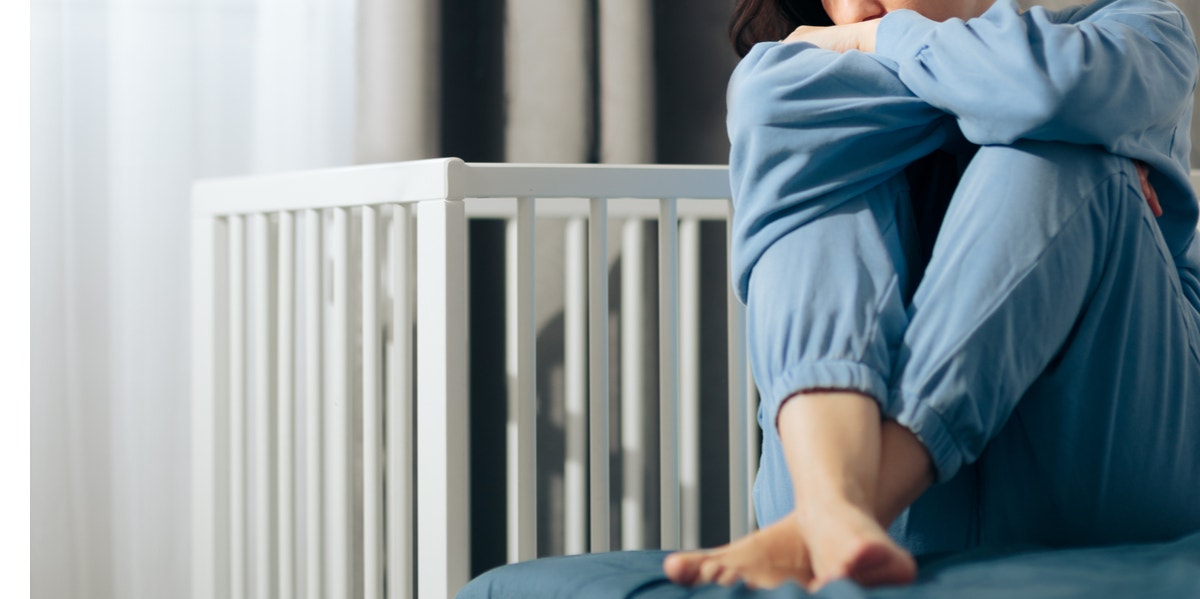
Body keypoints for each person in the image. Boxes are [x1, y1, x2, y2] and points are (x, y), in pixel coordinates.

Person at [662, 0, 1200, 591]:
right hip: (908, 511)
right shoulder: (794, 65)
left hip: (1112, 459)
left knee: (1057, 155)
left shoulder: (1138, 26)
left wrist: (888, 44)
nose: (855, 12)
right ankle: (829, 499)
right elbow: (770, 101)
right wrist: (1016, 100)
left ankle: (833, 517)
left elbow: (1053, 87)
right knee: (823, 179)